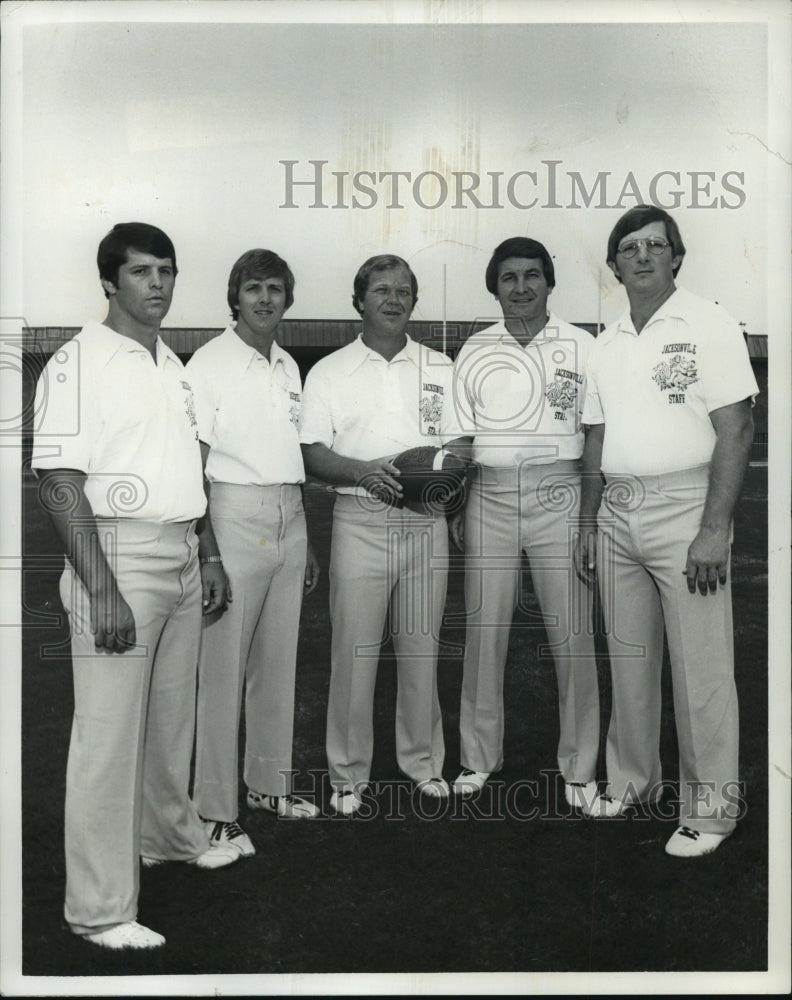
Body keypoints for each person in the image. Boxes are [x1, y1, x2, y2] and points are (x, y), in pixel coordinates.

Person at [32, 223, 239, 953]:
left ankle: (168, 838)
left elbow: (189, 474)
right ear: (110, 282)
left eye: (168, 271)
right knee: (109, 739)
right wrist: (103, 588)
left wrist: (207, 554)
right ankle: (98, 910)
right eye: (143, 272)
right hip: (117, 560)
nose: (158, 284)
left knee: (168, 724)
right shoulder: (77, 362)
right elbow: (59, 482)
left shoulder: (170, 363)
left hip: (181, 552)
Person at [575, 205, 757, 857]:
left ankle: (711, 812)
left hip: (688, 508)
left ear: (676, 257)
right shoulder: (608, 340)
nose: (643, 255)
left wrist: (714, 530)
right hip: (616, 510)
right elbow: (595, 435)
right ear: (615, 264)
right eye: (629, 247)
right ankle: (633, 781)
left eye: (656, 245)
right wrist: (590, 520)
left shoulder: (707, 323)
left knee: (702, 668)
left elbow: (736, 427)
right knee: (629, 659)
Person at [441, 237, 601, 807]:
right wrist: (459, 502)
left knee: (572, 633)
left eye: (533, 275)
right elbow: (461, 439)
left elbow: (596, 435)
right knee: (484, 632)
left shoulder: (583, 346)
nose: (522, 287)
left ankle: (580, 767)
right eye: (509, 277)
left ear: (550, 282)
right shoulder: (474, 350)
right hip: (490, 494)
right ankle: (478, 758)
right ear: (495, 286)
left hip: (559, 489)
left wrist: (587, 517)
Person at [299, 254, 455, 815]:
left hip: (424, 522)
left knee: (421, 649)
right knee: (354, 652)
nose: (393, 299)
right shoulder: (328, 372)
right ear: (358, 300)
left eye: (404, 291)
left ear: (415, 301)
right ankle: (347, 775)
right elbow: (312, 452)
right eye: (381, 290)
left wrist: (436, 474)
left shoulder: (441, 367)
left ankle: (423, 763)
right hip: (359, 522)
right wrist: (364, 471)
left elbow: (461, 445)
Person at [186, 249, 320, 855]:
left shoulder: (288, 364)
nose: (265, 299)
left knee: (279, 661)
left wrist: (304, 536)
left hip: (289, 511)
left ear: (287, 298)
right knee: (222, 669)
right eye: (253, 288)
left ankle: (269, 784)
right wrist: (208, 551)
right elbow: (194, 465)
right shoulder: (210, 362)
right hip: (233, 513)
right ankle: (214, 809)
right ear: (235, 296)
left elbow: (289, 455)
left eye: (275, 289)